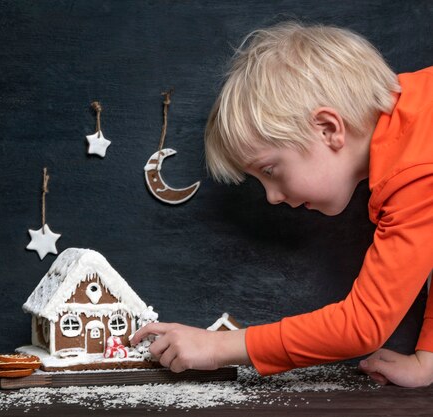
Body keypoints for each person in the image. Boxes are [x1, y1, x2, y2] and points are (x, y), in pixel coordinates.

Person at [131, 21, 433, 388]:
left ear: (327, 129)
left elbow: (362, 325)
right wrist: (427, 360)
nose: (273, 197)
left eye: (271, 170)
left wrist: (218, 346)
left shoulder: (416, 171)